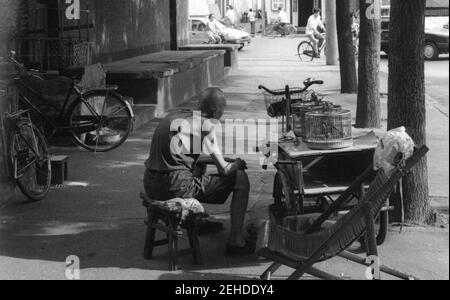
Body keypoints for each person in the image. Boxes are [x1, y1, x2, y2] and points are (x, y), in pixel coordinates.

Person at [143, 88, 254, 257]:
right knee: (240, 179)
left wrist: (222, 159)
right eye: (222, 112)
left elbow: (184, 157)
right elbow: (224, 170)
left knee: (199, 165)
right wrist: (237, 163)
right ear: (217, 111)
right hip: (174, 186)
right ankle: (236, 242)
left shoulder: (175, 116)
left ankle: (198, 221)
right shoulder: (206, 126)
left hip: (150, 183)